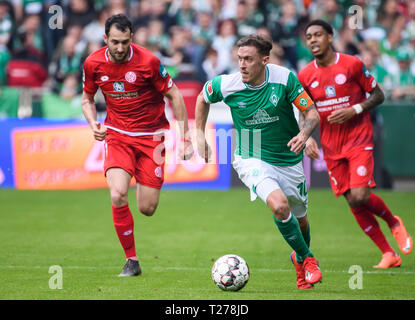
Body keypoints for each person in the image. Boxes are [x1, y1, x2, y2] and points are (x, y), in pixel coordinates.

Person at [195, 34, 322, 289]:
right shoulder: (228, 84)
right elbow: (202, 98)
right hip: (250, 155)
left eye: (248, 59)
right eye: (239, 58)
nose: (242, 64)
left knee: (302, 219)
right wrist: (198, 134)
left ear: (264, 60)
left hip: (288, 158)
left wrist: (304, 134)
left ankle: (298, 258)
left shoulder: (284, 79)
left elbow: (311, 113)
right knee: (279, 206)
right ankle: (308, 259)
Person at [81, 14, 193, 277]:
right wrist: (92, 122)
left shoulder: (149, 62)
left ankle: (134, 247)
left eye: (125, 42)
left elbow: (174, 94)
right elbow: (87, 98)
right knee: (118, 194)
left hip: (152, 138)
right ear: (105, 38)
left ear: (132, 38)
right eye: (115, 42)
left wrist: (186, 136)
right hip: (117, 135)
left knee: (147, 208)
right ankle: (131, 260)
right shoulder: (93, 63)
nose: (120, 48)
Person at [298, 20, 413, 269]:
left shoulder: (352, 64)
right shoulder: (306, 74)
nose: (313, 40)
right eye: (309, 37)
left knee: (360, 195)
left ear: (330, 37)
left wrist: (355, 109)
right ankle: (388, 254)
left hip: (359, 139)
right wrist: (305, 137)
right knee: (352, 201)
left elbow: (378, 94)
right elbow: (303, 109)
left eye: (318, 35)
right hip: (331, 145)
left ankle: (393, 221)